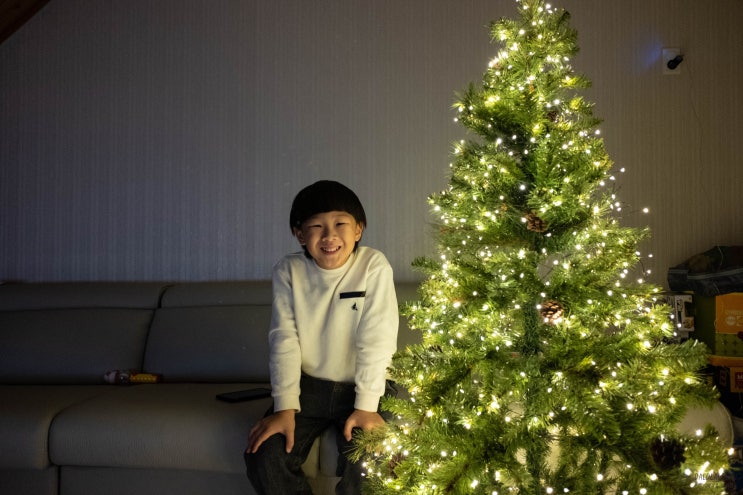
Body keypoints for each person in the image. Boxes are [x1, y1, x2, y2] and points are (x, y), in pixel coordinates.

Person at [245, 180, 399, 495]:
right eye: (316, 226)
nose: (329, 235)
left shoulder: (373, 265)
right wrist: (284, 405)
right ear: (300, 234)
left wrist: (367, 405)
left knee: (373, 460)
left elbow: (377, 337)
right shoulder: (288, 270)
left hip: (367, 386)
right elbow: (284, 339)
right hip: (308, 387)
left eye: (340, 224)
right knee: (264, 455)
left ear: (358, 229)